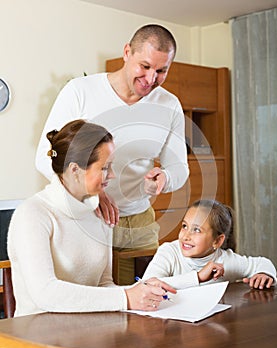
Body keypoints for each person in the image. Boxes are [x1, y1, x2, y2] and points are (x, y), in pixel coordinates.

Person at [35, 24, 189, 284]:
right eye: (145, 66)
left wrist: (165, 178)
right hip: (85, 218)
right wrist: (93, 192)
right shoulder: (80, 91)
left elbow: (179, 168)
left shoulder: (169, 105)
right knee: (90, 305)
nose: (151, 79)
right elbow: (44, 157)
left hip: (139, 223)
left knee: (147, 303)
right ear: (127, 52)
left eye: (161, 71)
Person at [7, 120, 176, 317]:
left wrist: (142, 291)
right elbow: (45, 293)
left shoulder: (99, 213)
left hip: (90, 331)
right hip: (37, 337)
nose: (112, 175)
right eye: (105, 168)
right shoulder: (33, 214)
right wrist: (126, 297)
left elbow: (104, 284)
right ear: (75, 170)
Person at [142, 199, 277, 289]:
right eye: (184, 226)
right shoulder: (169, 252)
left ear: (217, 241)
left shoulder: (225, 261)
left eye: (196, 230)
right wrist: (199, 277)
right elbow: (147, 284)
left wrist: (264, 273)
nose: (186, 236)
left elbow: (263, 263)